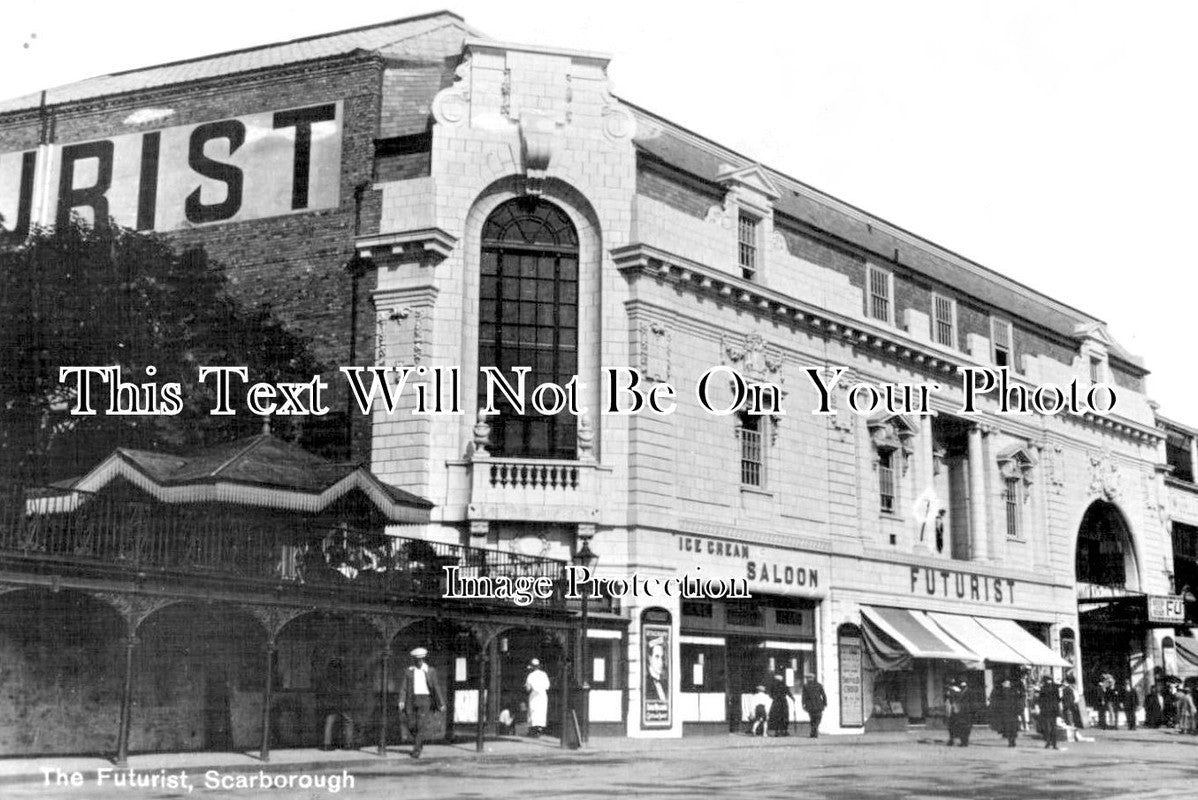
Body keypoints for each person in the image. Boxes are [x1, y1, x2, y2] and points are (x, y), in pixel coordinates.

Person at [397, 646, 445, 759]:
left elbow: (436, 687)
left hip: (425, 700)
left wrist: (441, 703)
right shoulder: (409, 671)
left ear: (423, 659)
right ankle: (419, 742)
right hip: (411, 700)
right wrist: (401, 700)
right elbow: (404, 687)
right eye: (416, 660)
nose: (418, 662)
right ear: (413, 660)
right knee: (410, 724)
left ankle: (416, 750)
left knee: (421, 725)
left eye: (420, 659)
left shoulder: (430, 671)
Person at [317, 655, 355, 750]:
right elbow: (348, 687)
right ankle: (348, 744)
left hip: (331, 700)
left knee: (329, 721)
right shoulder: (344, 675)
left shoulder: (327, 675)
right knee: (348, 721)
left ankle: (326, 744)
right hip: (343, 700)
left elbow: (324, 688)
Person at [990, 677, 1022, 747]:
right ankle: (1011, 741)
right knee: (1010, 728)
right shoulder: (1001, 692)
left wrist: (1019, 710)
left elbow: (1018, 701)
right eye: (1005, 683)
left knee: (1010, 728)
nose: (1006, 684)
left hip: (1010, 713)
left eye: (1007, 683)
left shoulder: (1011, 691)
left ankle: (1012, 741)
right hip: (1008, 713)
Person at [524, 658, 551, 738]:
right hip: (543, 695)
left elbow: (528, 688)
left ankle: (534, 730)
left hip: (534, 695)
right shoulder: (544, 674)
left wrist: (528, 687)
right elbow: (547, 686)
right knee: (541, 712)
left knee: (533, 712)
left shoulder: (530, 675)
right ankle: (539, 729)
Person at [945, 678, 974, 747]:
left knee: (956, 726)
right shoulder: (960, 690)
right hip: (961, 711)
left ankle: (959, 741)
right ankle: (961, 741)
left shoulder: (954, 691)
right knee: (959, 726)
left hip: (959, 710)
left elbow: (952, 701)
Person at [1037, 676, 1061, 750]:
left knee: (1047, 728)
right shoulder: (1055, 688)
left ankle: (1048, 743)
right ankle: (1054, 744)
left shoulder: (1043, 688)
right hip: (1053, 711)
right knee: (1054, 727)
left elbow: (1040, 700)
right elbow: (1058, 699)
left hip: (1046, 710)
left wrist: (1041, 708)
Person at [645, 637, 669, 703]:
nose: (661, 662)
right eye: (657, 657)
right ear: (650, 658)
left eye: (662, 657)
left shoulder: (665, 684)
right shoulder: (646, 684)